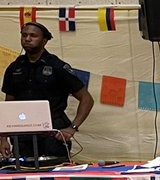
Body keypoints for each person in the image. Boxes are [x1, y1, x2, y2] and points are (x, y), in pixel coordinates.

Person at [1, 21, 93, 161]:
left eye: (33, 36)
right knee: (23, 172)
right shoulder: (14, 68)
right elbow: (9, 106)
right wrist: (3, 138)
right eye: (24, 35)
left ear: (44, 41)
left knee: (54, 173)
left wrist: (72, 127)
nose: (27, 39)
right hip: (23, 135)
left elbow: (86, 99)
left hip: (53, 135)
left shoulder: (57, 66)